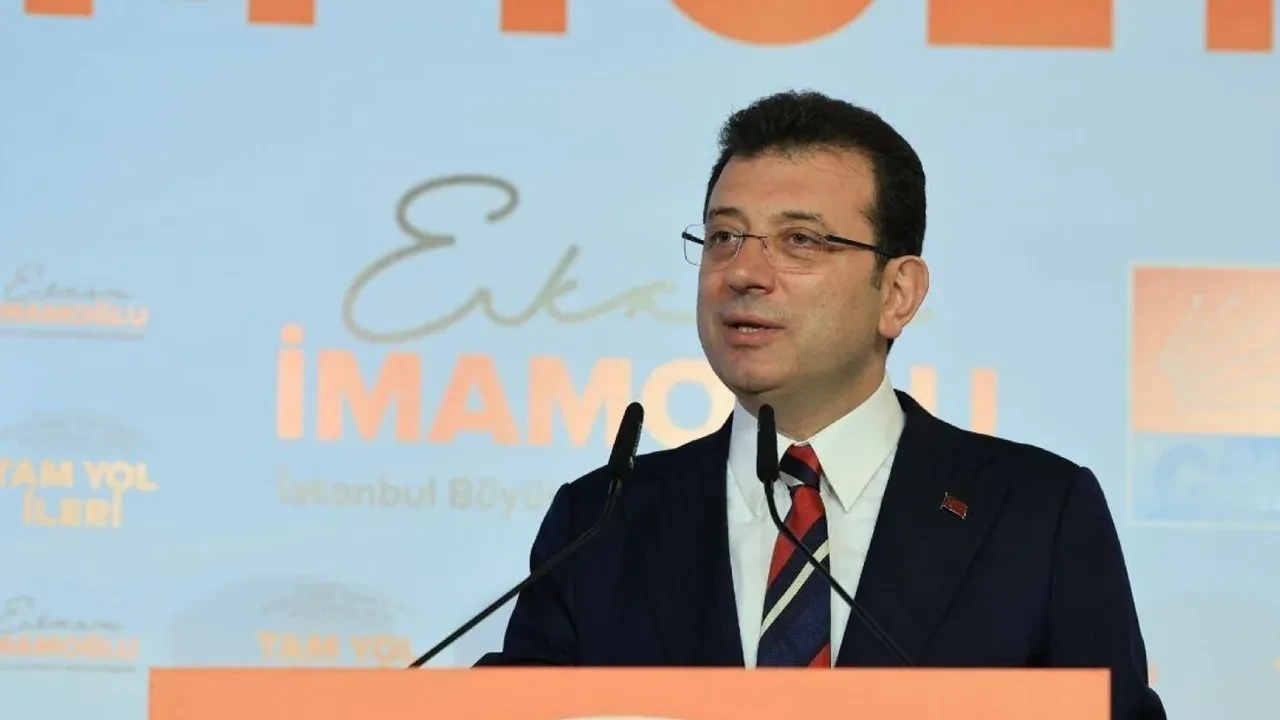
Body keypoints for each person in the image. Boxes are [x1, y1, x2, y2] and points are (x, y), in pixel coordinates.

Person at [476, 89, 1165, 719]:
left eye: (800, 240)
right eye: (723, 237)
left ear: (897, 293)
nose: (743, 273)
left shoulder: (1036, 516)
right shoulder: (600, 523)